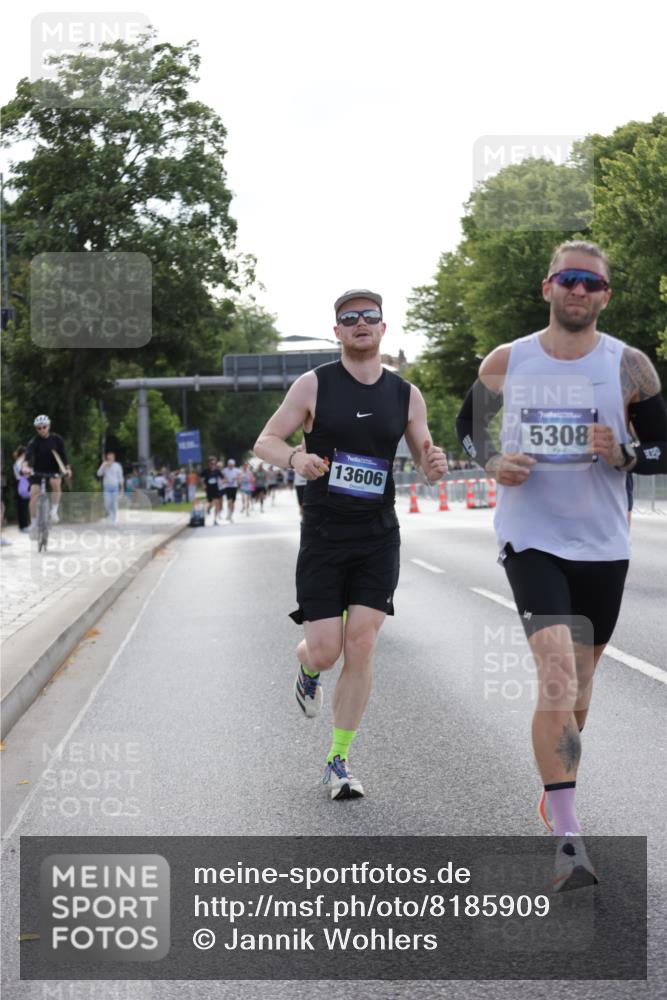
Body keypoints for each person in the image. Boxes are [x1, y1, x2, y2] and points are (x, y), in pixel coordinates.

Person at [455, 240, 667, 891]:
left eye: (591, 284)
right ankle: (568, 839)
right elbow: (469, 428)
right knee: (555, 674)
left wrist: (624, 454)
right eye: (568, 280)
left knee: (577, 686)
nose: (579, 291)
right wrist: (491, 462)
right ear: (547, 287)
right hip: (531, 539)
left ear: (603, 295)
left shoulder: (629, 367)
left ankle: (556, 790)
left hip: (603, 544)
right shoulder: (505, 361)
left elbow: (660, 450)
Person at [254, 288, 447, 800]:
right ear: (337, 331)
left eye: (370, 317)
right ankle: (306, 667)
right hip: (323, 534)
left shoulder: (406, 394)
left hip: (377, 534)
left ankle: (338, 759)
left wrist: (433, 466)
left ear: (383, 328)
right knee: (326, 651)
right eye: (349, 318)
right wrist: (295, 460)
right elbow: (265, 441)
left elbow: (425, 457)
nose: (360, 323)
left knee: (361, 642)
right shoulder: (312, 385)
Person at [23, 415, 72, 536]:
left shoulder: (57, 439)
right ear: (36, 429)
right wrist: (25, 467)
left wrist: (67, 469)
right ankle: (34, 523)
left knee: (55, 483)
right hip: (38, 471)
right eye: (39, 428)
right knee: (34, 493)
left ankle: (54, 511)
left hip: (53, 470)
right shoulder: (34, 441)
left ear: (48, 426)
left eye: (44, 427)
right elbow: (27, 456)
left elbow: (63, 455)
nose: (42, 430)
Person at [97, 451, 124, 524]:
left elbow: (120, 477)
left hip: (115, 487)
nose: (110, 458)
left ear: (114, 457)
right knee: (107, 503)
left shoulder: (117, 466)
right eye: (108, 457)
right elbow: (99, 474)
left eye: (111, 457)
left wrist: (122, 488)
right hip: (107, 487)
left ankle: (114, 518)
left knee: (114, 503)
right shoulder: (104, 465)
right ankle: (110, 515)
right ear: (107, 457)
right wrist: (104, 467)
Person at [200, 456, 224, 525]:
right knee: (211, 503)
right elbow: (201, 478)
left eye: (214, 463)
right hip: (209, 489)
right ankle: (209, 508)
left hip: (216, 489)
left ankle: (215, 520)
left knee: (216, 503)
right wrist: (203, 485)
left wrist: (223, 482)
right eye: (211, 463)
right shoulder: (206, 471)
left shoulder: (217, 471)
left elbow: (223, 478)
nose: (212, 465)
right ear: (209, 464)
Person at [13, 446, 31, 532]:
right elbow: (24, 473)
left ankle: (22, 525)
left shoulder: (17, 462)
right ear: (23, 453)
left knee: (21, 505)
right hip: (23, 482)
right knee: (24, 505)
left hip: (19, 483)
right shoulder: (21, 462)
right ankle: (24, 526)